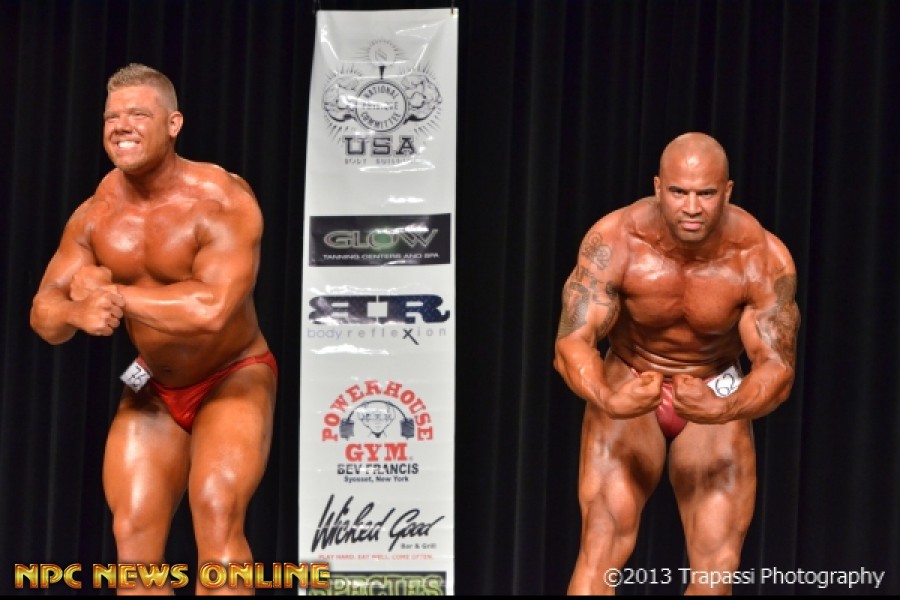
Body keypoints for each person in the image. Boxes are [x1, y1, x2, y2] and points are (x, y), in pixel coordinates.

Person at [30, 63, 277, 595]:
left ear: (173, 124)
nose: (121, 125)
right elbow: (44, 313)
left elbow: (213, 308)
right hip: (151, 382)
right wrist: (74, 314)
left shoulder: (222, 199)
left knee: (216, 512)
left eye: (138, 114)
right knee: (133, 539)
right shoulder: (95, 215)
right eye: (111, 117)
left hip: (233, 374)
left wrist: (113, 297)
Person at [553, 132, 800, 595]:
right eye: (678, 192)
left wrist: (724, 408)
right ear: (657, 187)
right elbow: (571, 341)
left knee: (716, 569)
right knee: (601, 546)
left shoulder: (762, 257)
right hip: (631, 377)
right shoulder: (616, 239)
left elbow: (778, 367)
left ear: (727, 191)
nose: (691, 207)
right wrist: (608, 396)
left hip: (713, 386)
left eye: (705, 193)